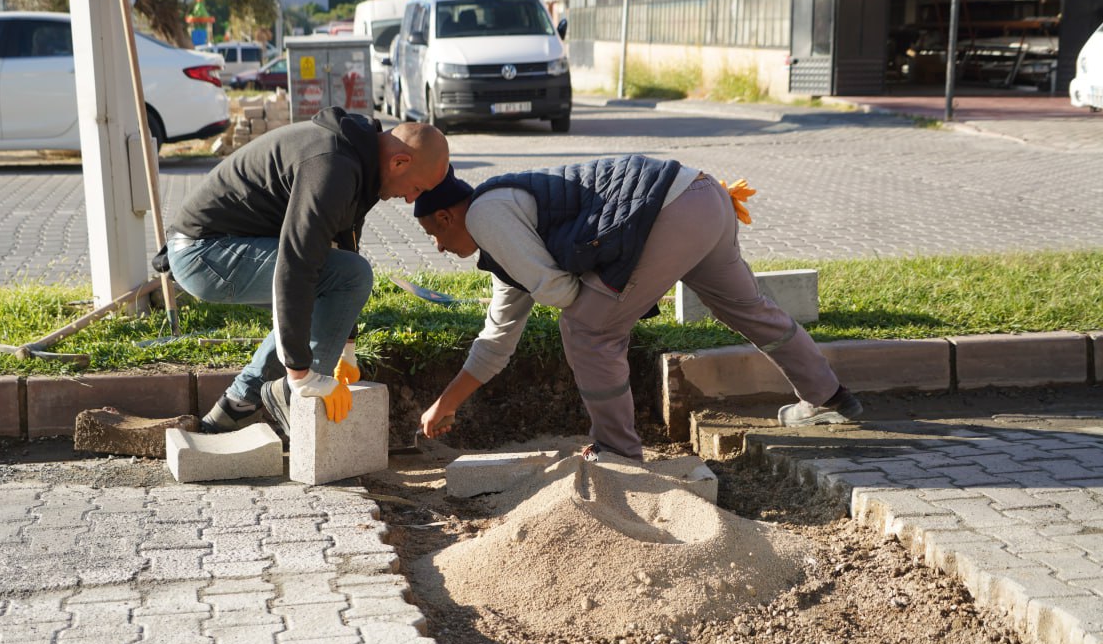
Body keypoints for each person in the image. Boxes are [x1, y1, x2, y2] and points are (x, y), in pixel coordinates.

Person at [412, 157, 862, 459]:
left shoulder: (484, 214)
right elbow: (497, 340)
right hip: (704, 196)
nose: (439, 248)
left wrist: (600, 302)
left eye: (435, 234)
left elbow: (560, 294)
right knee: (748, 308)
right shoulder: (506, 235)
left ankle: (617, 452)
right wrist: (444, 404)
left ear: (448, 216)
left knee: (587, 331)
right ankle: (828, 396)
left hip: (668, 211)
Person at [166, 106, 449, 436]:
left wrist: (347, 346)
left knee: (336, 278)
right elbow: (296, 264)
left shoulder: (358, 159)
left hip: (220, 249)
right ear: (400, 162)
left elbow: (342, 246)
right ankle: (294, 401)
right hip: (205, 255)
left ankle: (234, 409)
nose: (409, 199)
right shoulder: (333, 166)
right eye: (417, 188)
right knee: (350, 276)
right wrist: (302, 375)